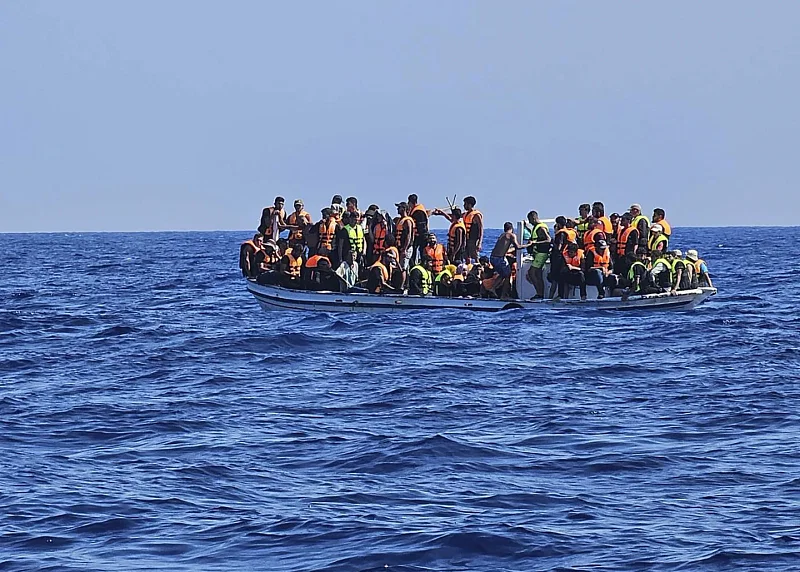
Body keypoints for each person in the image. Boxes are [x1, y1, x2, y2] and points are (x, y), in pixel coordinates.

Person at [490, 222, 532, 299]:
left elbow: (503, 248)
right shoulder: (511, 235)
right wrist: (529, 244)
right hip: (500, 258)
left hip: (493, 257)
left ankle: (492, 288)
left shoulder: (502, 235)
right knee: (508, 275)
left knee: (503, 274)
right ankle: (504, 295)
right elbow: (518, 246)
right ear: (512, 229)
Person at [524, 210, 551, 299]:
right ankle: (540, 295)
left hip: (541, 254)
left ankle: (539, 293)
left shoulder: (541, 228)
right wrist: (526, 226)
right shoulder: (535, 227)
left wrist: (535, 243)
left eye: (530, 220)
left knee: (531, 273)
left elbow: (548, 239)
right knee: (538, 274)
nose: (530, 222)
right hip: (537, 253)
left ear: (534, 218)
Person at [548, 216, 572, 299]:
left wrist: (552, 242)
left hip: (558, 258)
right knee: (563, 279)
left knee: (555, 278)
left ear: (558, 224)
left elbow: (558, 247)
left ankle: (551, 297)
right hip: (565, 258)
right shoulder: (569, 232)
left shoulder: (561, 234)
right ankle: (564, 297)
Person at [615, 213, 639, 278]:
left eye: (623, 219)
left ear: (628, 221)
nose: (621, 220)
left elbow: (635, 244)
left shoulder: (633, 231)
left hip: (628, 256)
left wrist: (634, 255)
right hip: (619, 256)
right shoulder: (621, 230)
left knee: (626, 272)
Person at [407, 194, 430, 263]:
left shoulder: (418, 211)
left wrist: (419, 235)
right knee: (415, 251)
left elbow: (421, 225)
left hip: (421, 236)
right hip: (418, 235)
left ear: (411, 202)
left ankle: (422, 264)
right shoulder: (416, 209)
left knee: (421, 251)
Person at [394, 202, 415, 273]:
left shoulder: (407, 221)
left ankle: (403, 284)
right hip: (400, 247)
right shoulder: (399, 220)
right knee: (399, 266)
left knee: (403, 268)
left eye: (399, 207)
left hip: (406, 247)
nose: (397, 209)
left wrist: (405, 249)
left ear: (404, 209)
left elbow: (408, 235)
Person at [463, 196, 483, 262]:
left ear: (470, 204)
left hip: (474, 239)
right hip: (467, 239)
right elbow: (455, 215)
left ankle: (479, 269)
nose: (464, 205)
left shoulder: (476, 215)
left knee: (475, 256)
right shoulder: (466, 214)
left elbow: (481, 228)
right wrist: (440, 213)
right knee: (466, 256)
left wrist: (479, 243)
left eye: (465, 204)